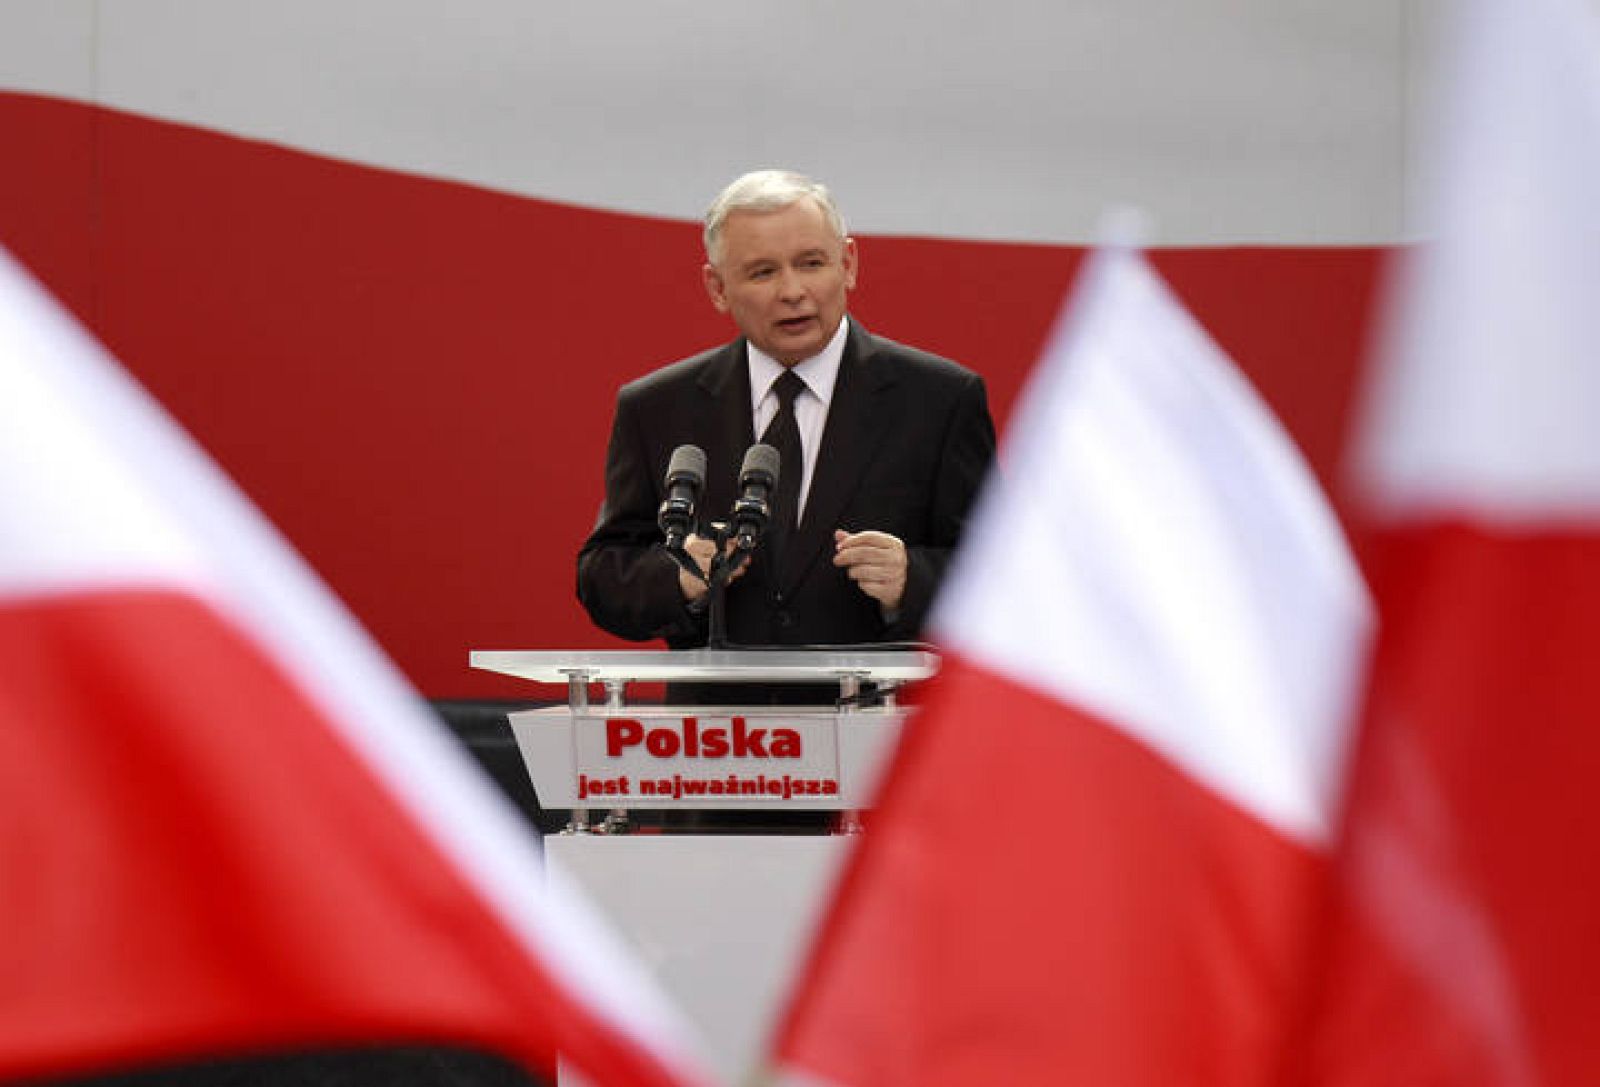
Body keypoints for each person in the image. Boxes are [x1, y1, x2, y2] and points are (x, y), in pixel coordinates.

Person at [576, 169, 996, 680]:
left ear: (848, 264)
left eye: (811, 264)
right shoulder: (660, 406)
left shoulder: (939, 400)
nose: (793, 291)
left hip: (878, 718)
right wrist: (680, 578)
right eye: (762, 273)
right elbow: (604, 575)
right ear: (718, 288)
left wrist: (914, 578)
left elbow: (1007, 580)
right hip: (722, 726)